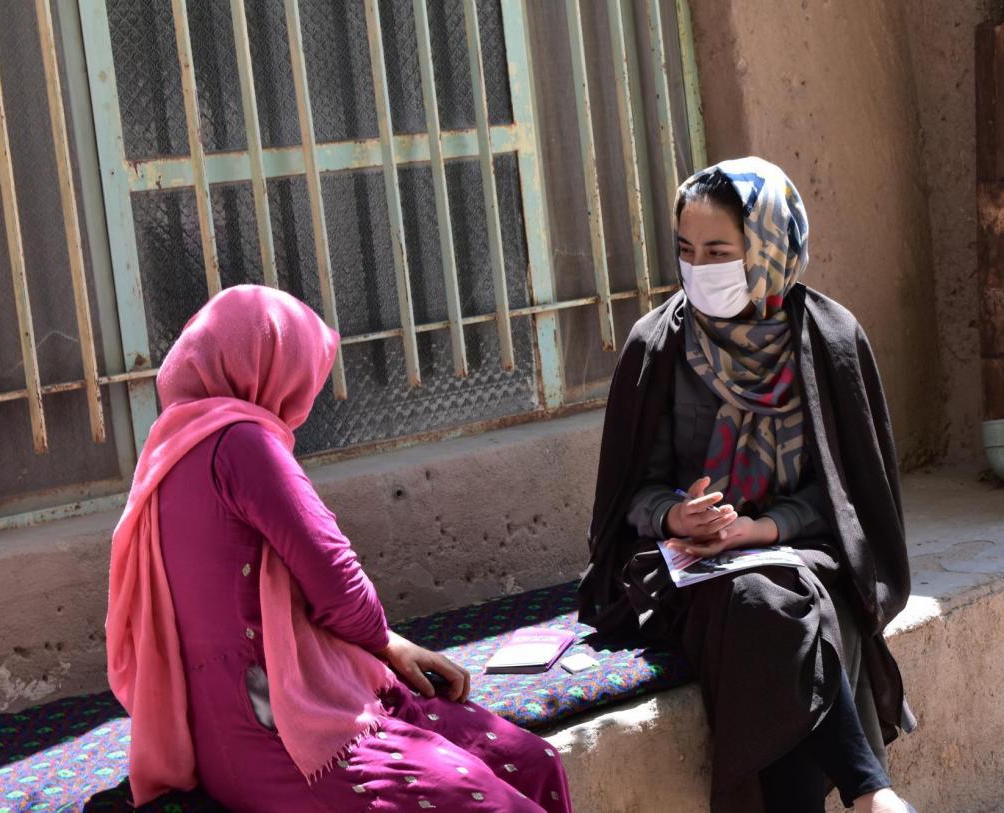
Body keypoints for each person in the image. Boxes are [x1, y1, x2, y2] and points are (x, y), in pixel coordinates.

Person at [106, 285, 573, 812]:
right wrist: (382, 640)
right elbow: (337, 582)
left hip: (244, 727)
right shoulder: (242, 443)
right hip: (287, 731)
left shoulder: (168, 456)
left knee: (532, 761)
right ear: (269, 366)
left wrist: (388, 646)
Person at [579, 157, 918, 813]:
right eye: (686, 250)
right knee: (771, 602)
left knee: (776, 596)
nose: (698, 268)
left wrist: (764, 528)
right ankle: (870, 790)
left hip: (805, 553)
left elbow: (851, 500)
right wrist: (679, 516)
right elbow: (629, 499)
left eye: (718, 251)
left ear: (766, 247)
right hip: (685, 570)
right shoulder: (657, 346)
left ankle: (867, 793)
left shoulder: (830, 340)